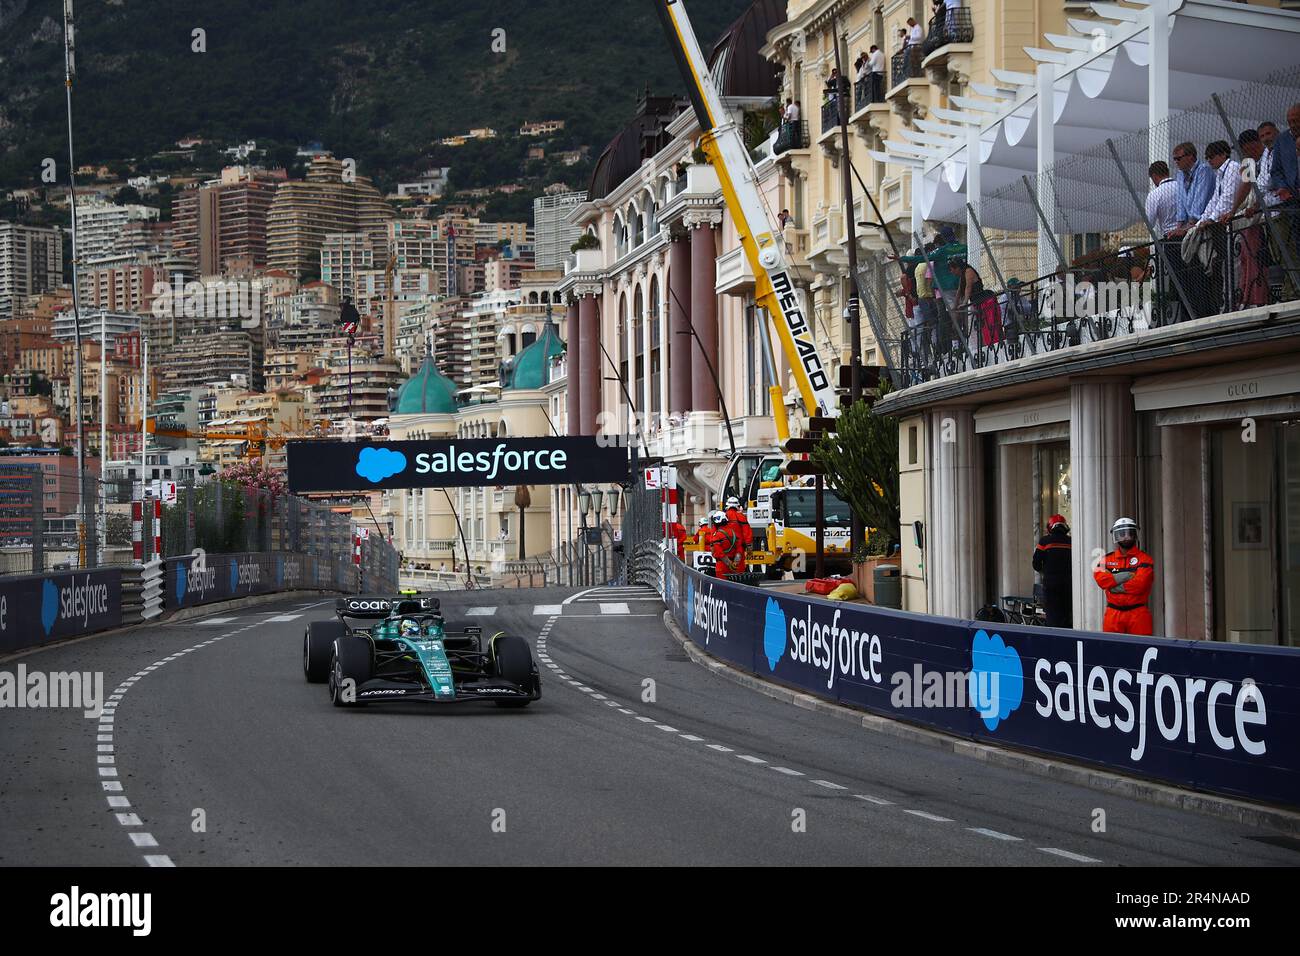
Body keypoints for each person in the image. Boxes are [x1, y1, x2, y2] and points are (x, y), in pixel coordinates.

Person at [1093, 517, 1155, 636]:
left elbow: (1140, 584)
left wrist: (1113, 586)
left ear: (1135, 535)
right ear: (1116, 536)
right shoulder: (1107, 559)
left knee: (1140, 649)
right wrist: (1127, 576)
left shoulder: (1145, 559)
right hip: (1113, 613)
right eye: (1121, 534)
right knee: (1112, 650)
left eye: (1129, 533)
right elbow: (1101, 580)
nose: (1126, 537)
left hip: (1138, 613)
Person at [1032, 514, 1072, 628]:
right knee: (1066, 615)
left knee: (1053, 617)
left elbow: (1036, 564)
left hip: (1051, 584)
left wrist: (1046, 571)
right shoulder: (1071, 542)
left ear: (1050, 527)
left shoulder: (1044, 541)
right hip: (1069, 584)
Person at [707, 510, 743, 579]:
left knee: (722, 587)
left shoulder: (717, 535)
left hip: (722, 566)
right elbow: (739, 550)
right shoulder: (734, 533)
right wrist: (735, 562)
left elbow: (719, 553)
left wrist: (729, 564)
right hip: (735, 566)